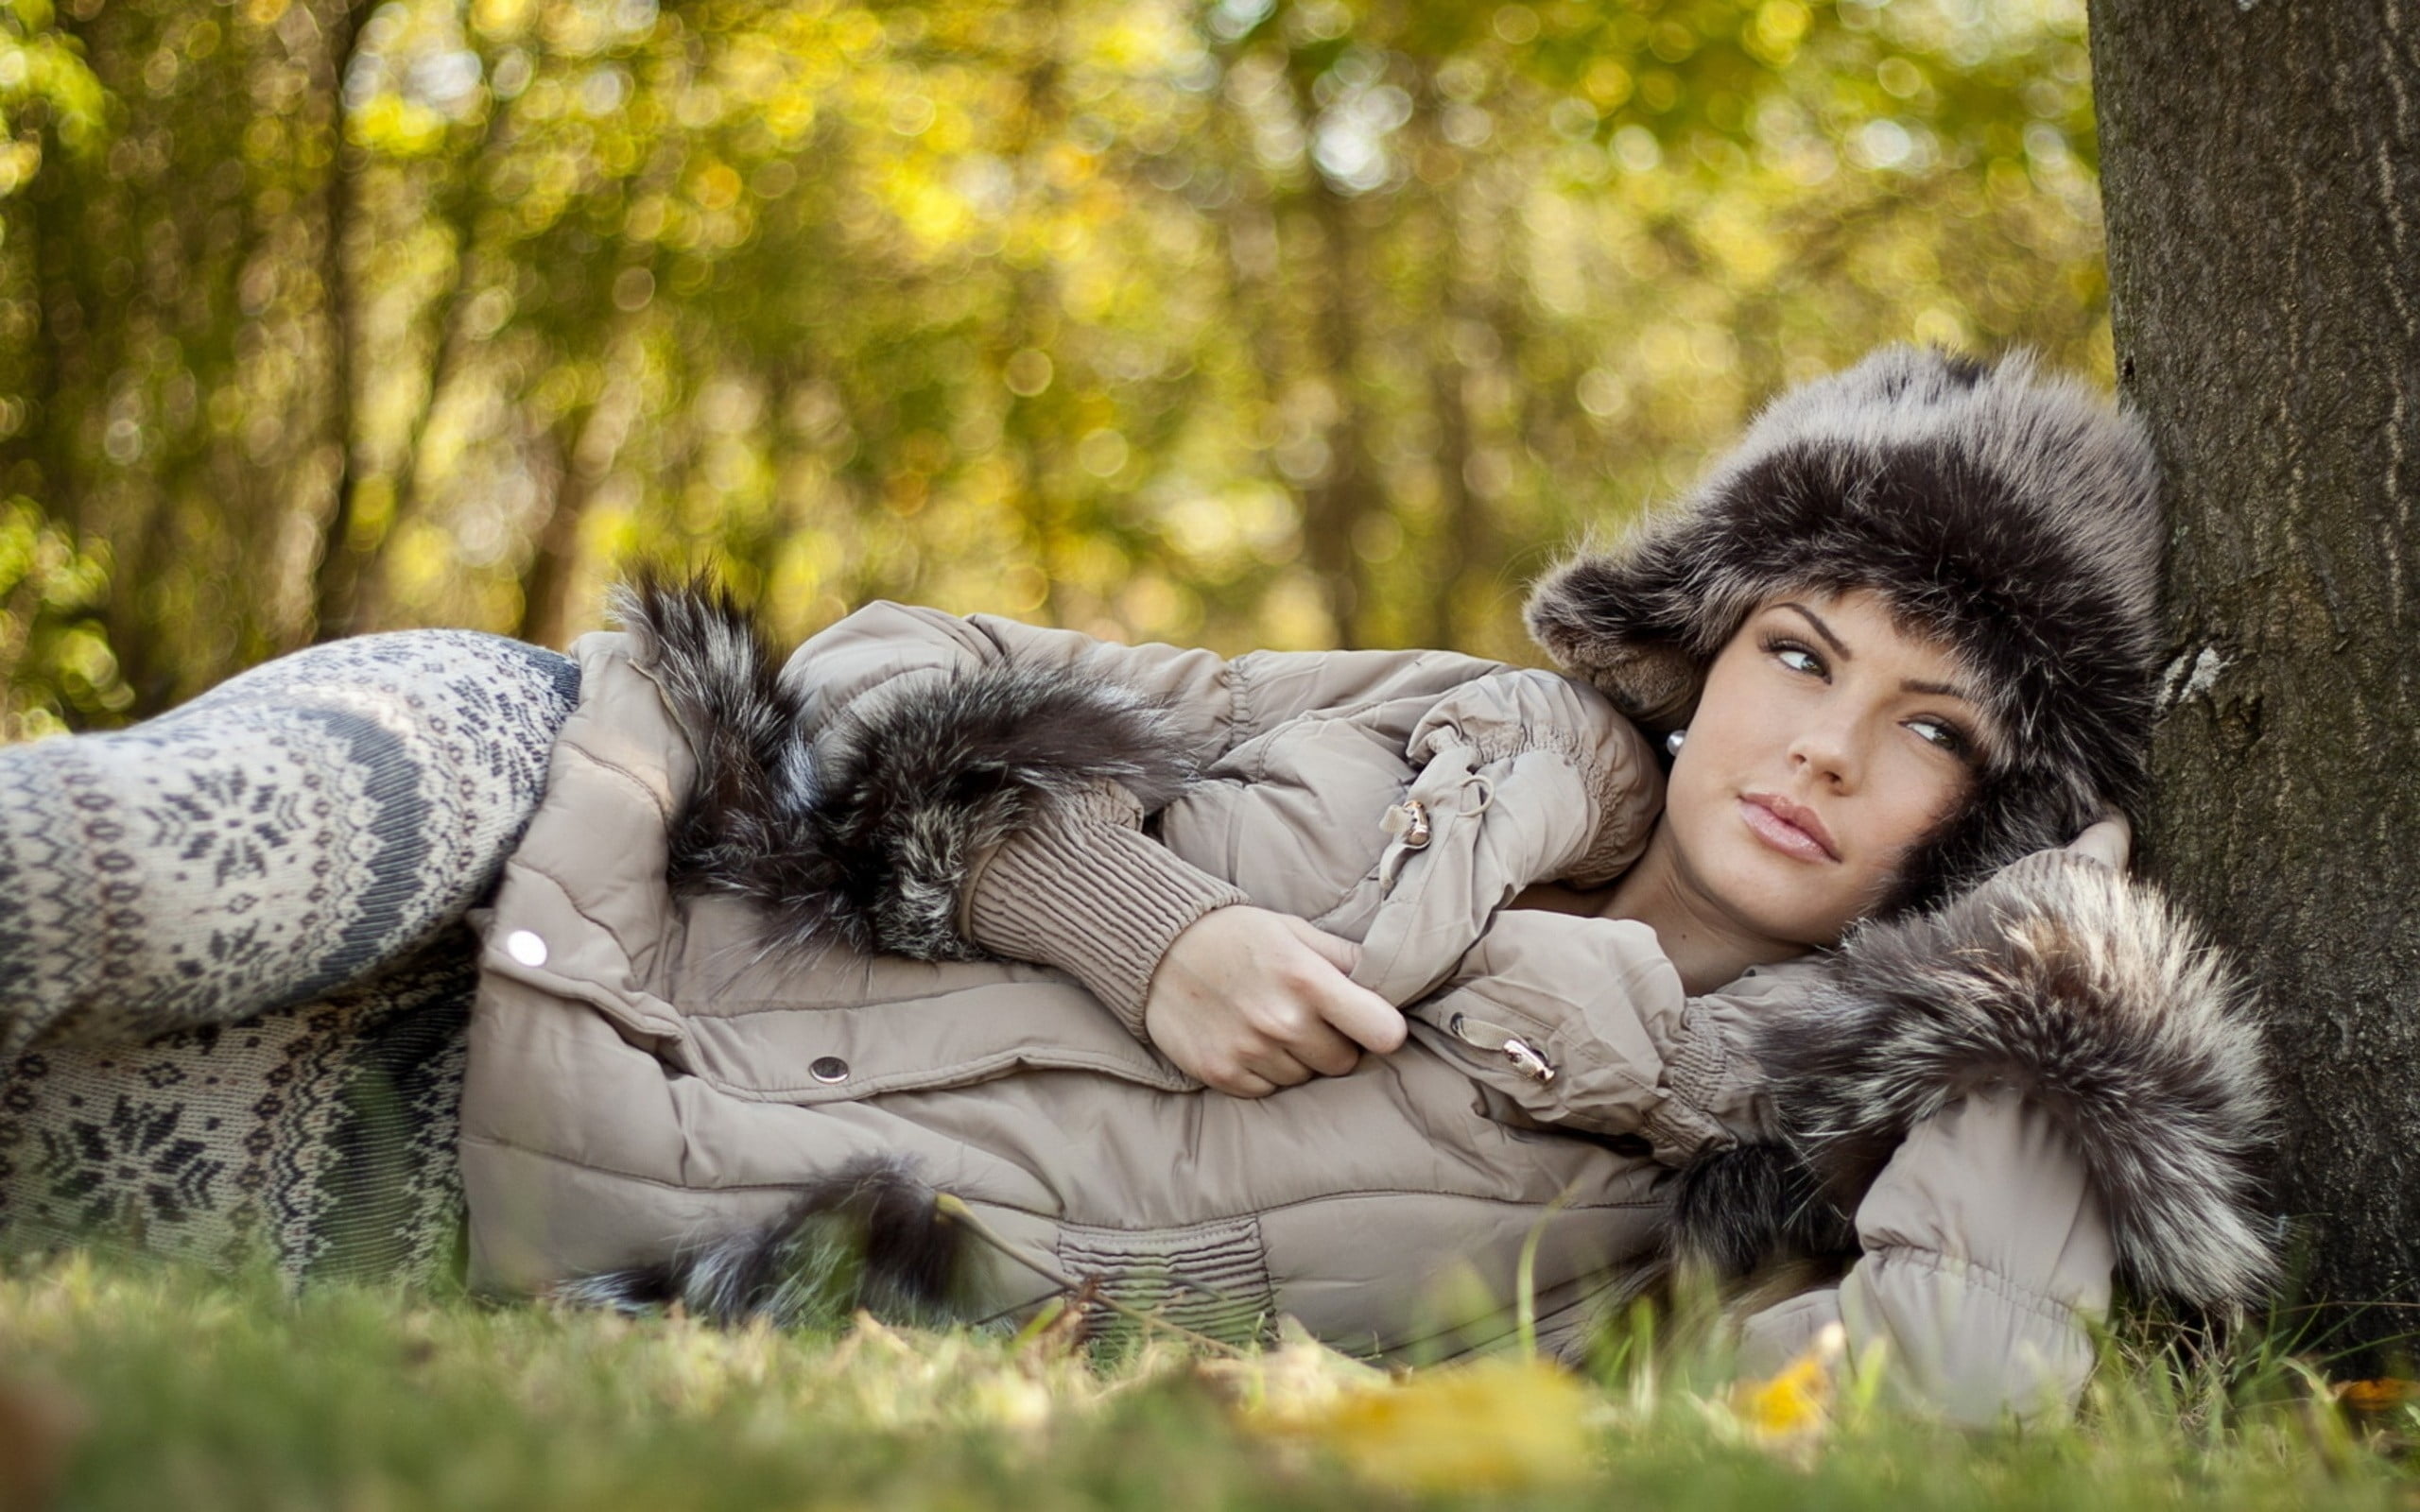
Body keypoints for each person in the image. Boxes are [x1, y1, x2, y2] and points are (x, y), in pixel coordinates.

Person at [0, 347, 2271, 1424]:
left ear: (1974, 821)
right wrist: (1137, 919)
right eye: (1798, 650)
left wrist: (2049, 994)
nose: (1821, 747)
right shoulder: (1451, 723)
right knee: (73, 880)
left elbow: (1926, 1396)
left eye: (1932, 730)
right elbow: (891, 662)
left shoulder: (1723, 1195)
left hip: (525, 1190)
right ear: (1706, 649)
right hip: (563, 806)